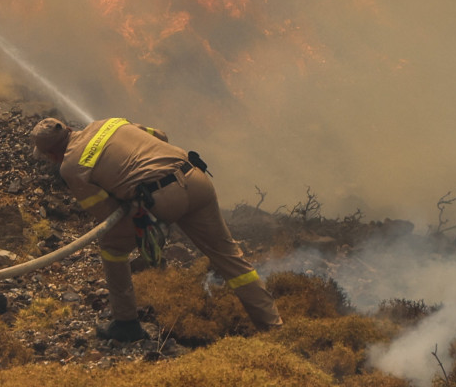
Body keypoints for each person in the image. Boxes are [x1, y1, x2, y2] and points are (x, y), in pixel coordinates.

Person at [30, 116, 281, 342]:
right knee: (229, 258)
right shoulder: (108, 123)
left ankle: (126, 323)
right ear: (70, 129)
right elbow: (161, 135)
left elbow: (107, 215)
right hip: (195, 178)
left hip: (160, 199)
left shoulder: (70, 168)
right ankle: (274, 328)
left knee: (111, 245)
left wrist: (141, 223)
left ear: (52, 154)